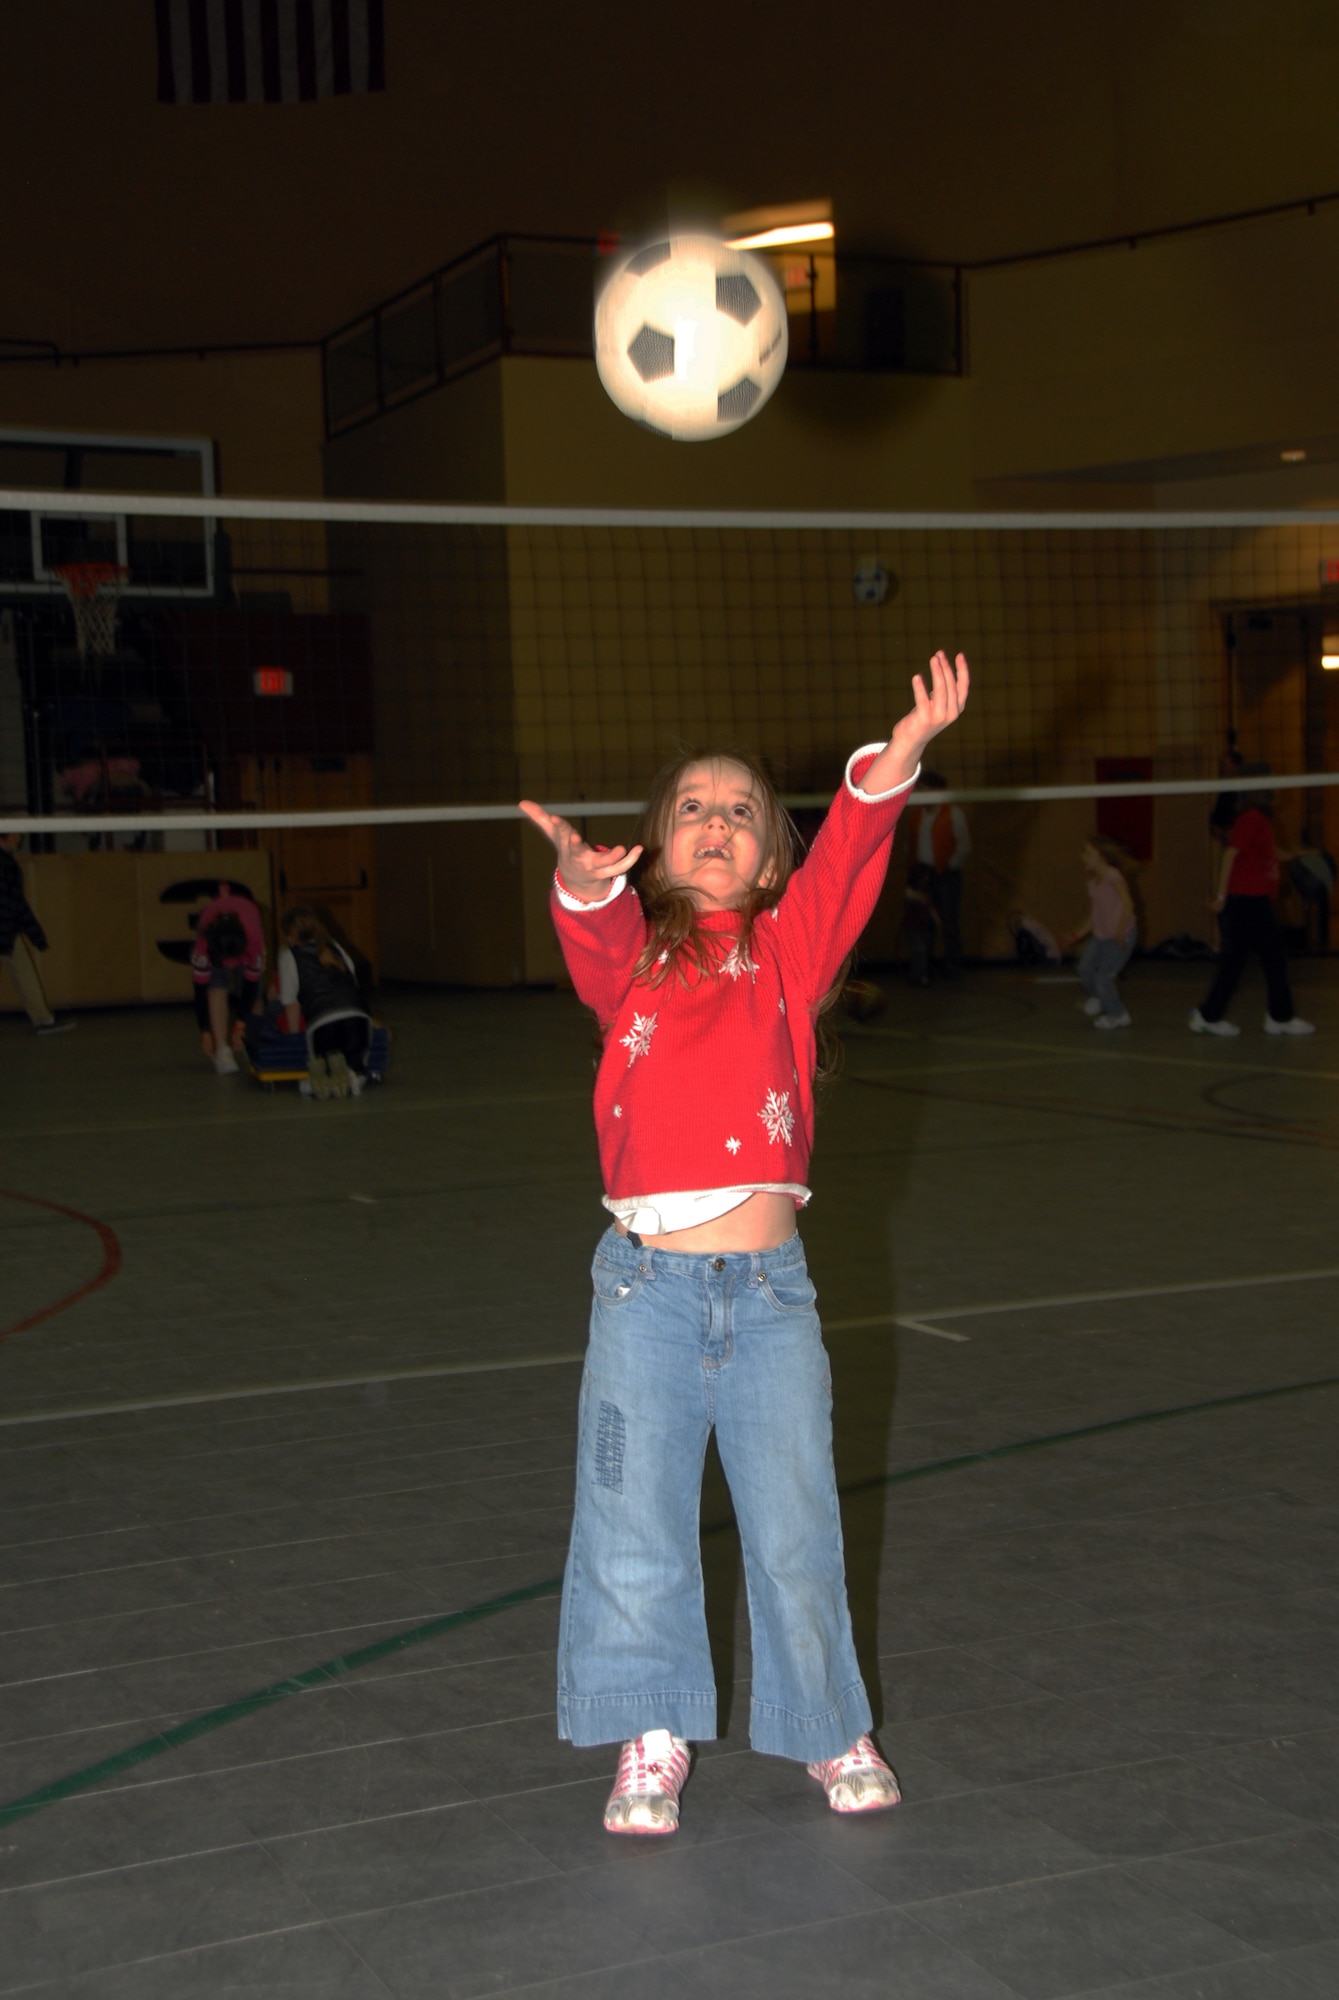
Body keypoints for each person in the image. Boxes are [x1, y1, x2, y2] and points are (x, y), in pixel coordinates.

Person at [520, 648, 970, 1837]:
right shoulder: (638, 966)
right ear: (655, 843)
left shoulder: (788, 954)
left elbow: (855, 850)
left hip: (769, 1298)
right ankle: (648, 1731)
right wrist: (576, 880)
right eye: (689, 807)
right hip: (644, 1297)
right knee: (632, 1524)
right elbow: (592, 930)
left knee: (793, 1523)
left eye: (739, 812)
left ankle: (828, 1724)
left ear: (771, 855)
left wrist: (905, 751)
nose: (714, 821)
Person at [1191, 794, 1314, 1037]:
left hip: (1252, 900)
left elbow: (1270, 853)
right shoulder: (1251, 818)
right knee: (1273, 956)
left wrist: (1298, 854)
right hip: (1248, 900)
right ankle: (1279, 1017)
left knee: (1238, 960)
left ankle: (1207, 1015)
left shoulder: (1261, 821)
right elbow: (1230, 854)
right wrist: (1221, 897)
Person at [277, 906, 371, 1098]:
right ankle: (353, 1073)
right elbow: (353, 983)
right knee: (357, 1062)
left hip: (323, 1024)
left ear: (289, 936)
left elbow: (291, 1005)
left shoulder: (289, 957)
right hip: (358, 1020)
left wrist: (296, 1041)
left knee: (319, 1063)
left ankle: (319, 1079)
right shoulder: (335, 948)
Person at [0, 833, 75, 1035]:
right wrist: (36, 934)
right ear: (4, 838)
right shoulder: (6, 865)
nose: (20, 838)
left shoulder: (7, 863)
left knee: (23, 975)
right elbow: (15, 903)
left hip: (6, 928)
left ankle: (43, 1018)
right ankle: (43, 1020)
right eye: (16, 835)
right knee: (24, 975)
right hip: (5, 929)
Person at [1061, 836, 1137, 1029]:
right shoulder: (1093, 884)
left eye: (1088, 853)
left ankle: (1118, 1014)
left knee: (1103, 977)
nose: (1083, 857)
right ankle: (1099, 998)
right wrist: (1077, 935)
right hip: (1101, 937)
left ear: (1101, 856)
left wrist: (1120, 931)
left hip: (1121, 936)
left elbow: (1128, 903)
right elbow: (1094, 917)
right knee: (1084, 968)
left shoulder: (1112, 875)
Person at [190, 882, 266, 1074]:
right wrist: (205, 1030)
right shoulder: (203, 944)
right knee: (217, 986)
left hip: (246, 927)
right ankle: (223, 1049)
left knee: (255, 992)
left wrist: (241, 1024)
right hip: (215, 933)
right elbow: (200, 990)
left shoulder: (254, 939)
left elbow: (251, 984)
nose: (231, 965)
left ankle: (253, 1040)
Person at [911, 770, 970, 973]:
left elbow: (964, 846)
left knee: (948, 919)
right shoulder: (917, 814)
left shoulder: (953, 814)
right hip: (922, 874)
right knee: (923, 921)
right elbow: (910, 843)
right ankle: (925, 965)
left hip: (946, 874)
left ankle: (953, 964)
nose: (919, 793)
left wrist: (946, 867)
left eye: (922, 789)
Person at [1290, 823, 1335, 955]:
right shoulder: (1314, 852)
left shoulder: (1318, 852)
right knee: (1313, 909)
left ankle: (1319, 939)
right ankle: (1315, 939)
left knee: (1317, 909)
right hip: (1314, 884)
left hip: (1316, 885)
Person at [901, 860, 940, 986]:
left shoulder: (927, 891)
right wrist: (921, 898)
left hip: (923, 927)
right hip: (912, 927)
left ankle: (922, 975)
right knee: (919, 950)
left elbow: (931, 908)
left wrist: (938, 921)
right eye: (924, 876)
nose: (926, 879)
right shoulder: (911, 890)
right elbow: (910, 895)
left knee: (925, 951)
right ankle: (915, 976)